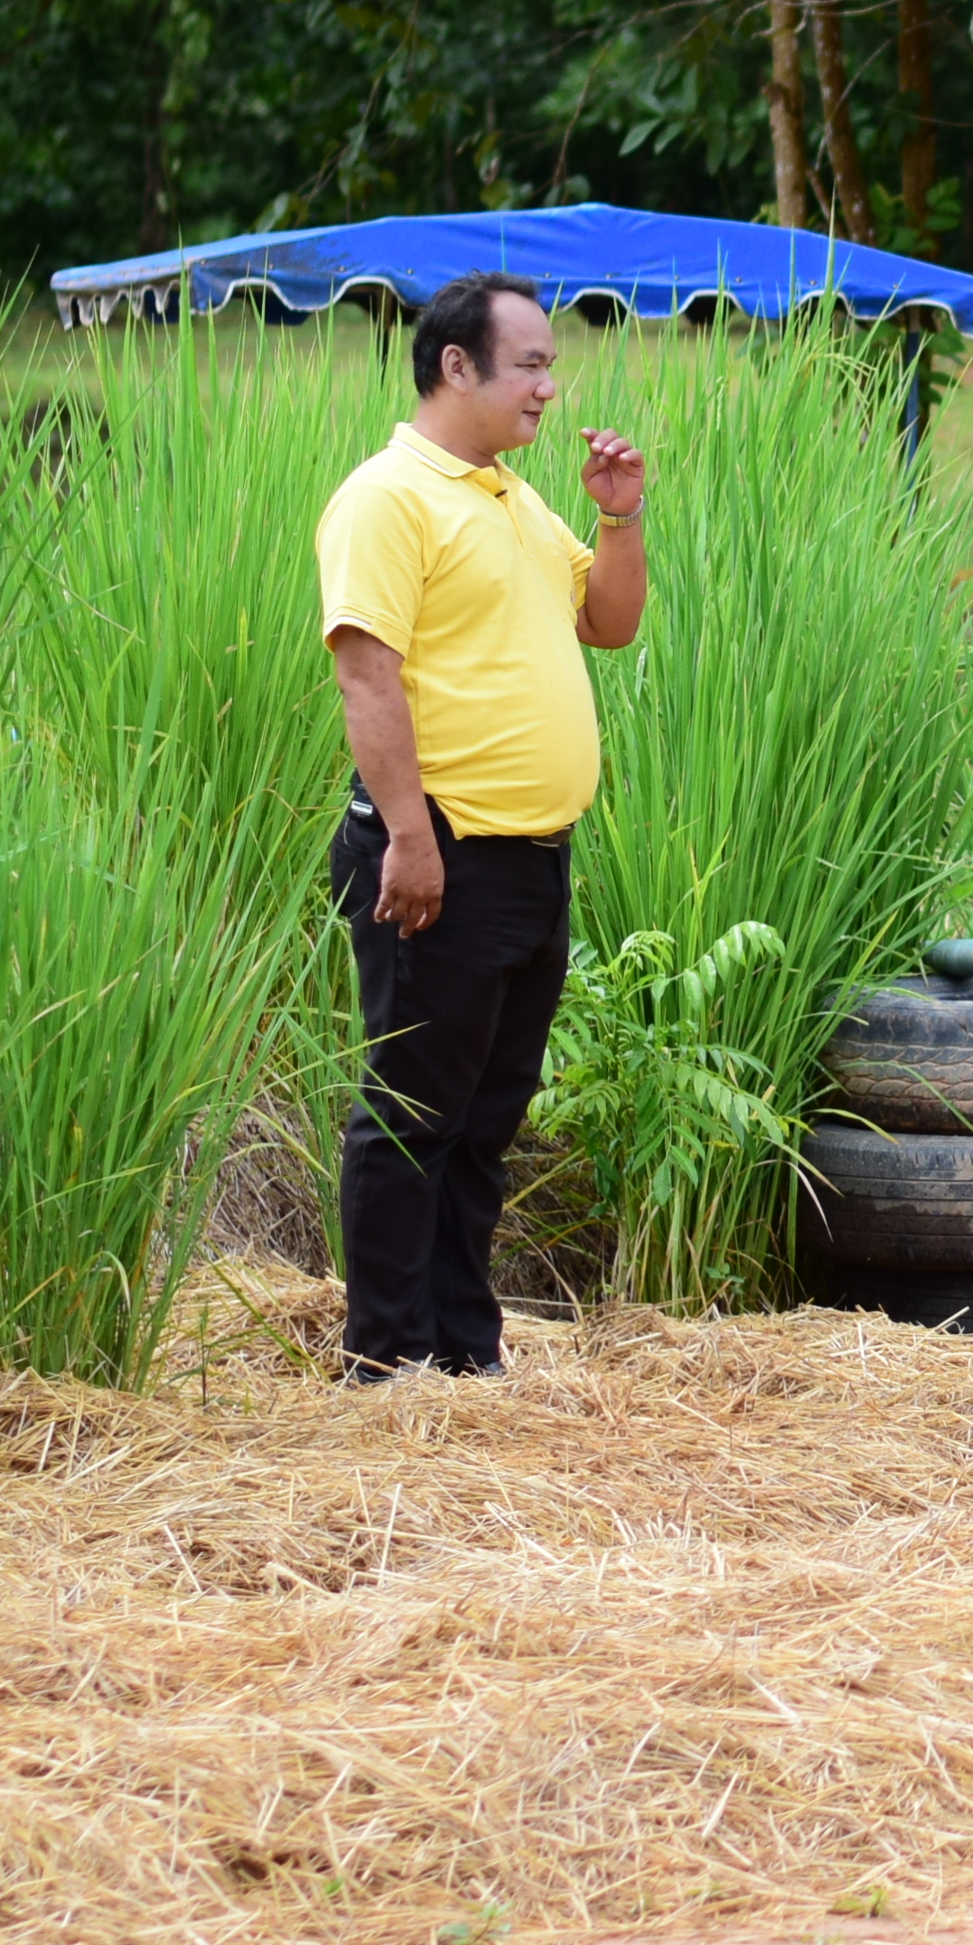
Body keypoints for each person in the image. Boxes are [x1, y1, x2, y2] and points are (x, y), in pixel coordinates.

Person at [316, 273, 651, 1379]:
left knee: (485, 1117)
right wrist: (409, 839)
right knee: (411, 1114)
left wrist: (618, 515)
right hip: (438, 857)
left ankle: (465, 1355)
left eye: (551, 365)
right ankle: (387, 1362)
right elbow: (368, 676)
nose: (550, 388)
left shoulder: (510, 496)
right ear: (456, 366)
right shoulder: (388, 498)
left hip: (530, 863)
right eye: (532, 365)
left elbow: (607, 621)